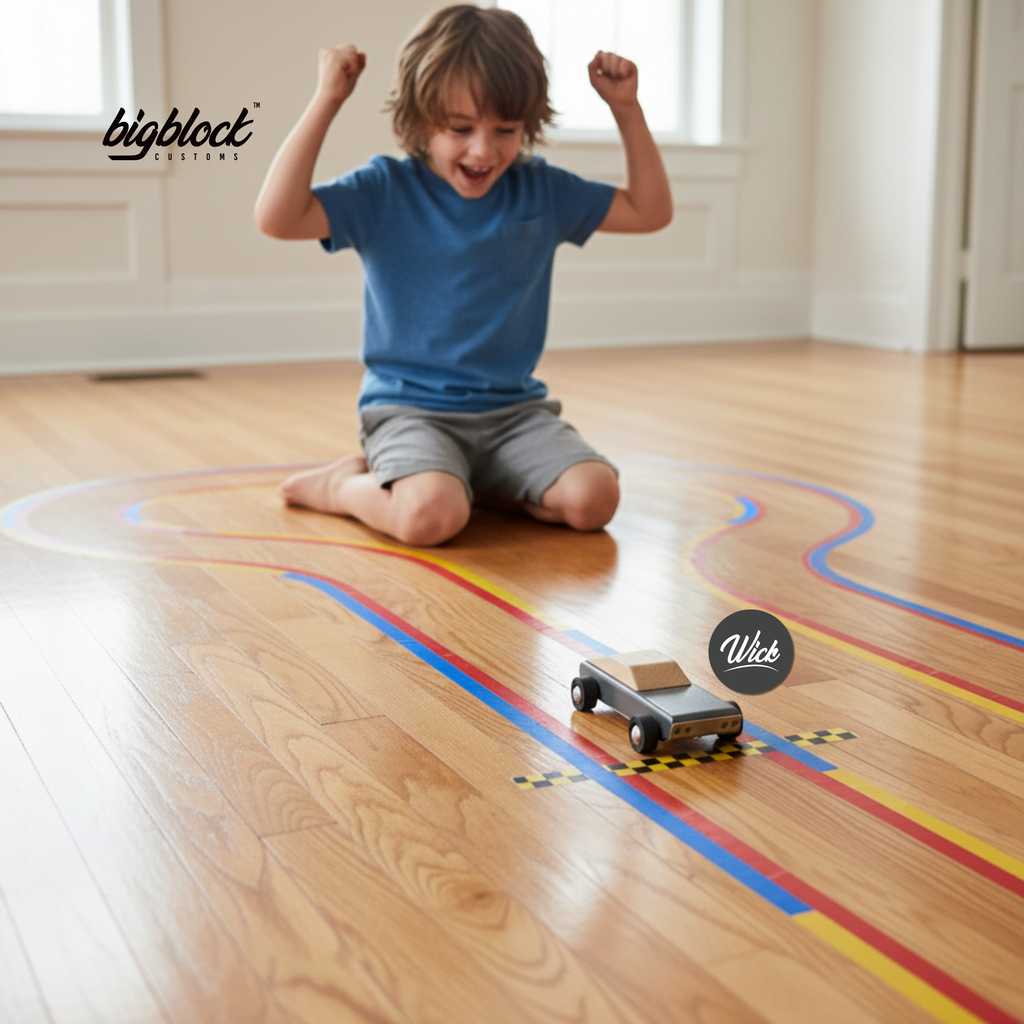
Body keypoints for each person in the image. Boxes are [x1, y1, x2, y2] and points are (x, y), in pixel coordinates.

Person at [254, 4, 671, 546]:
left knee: (595, 499)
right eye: (459, 128)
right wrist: (327, 100)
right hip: (410, 412)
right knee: (429, 518)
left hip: (514, 414)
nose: (483, 149)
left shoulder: (540, 190)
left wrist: (627, 111)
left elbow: (649, 211)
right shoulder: (385, 190)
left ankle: (474, 480)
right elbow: (278, 218)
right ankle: (342, 488)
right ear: (421, 118)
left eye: (506, 129)